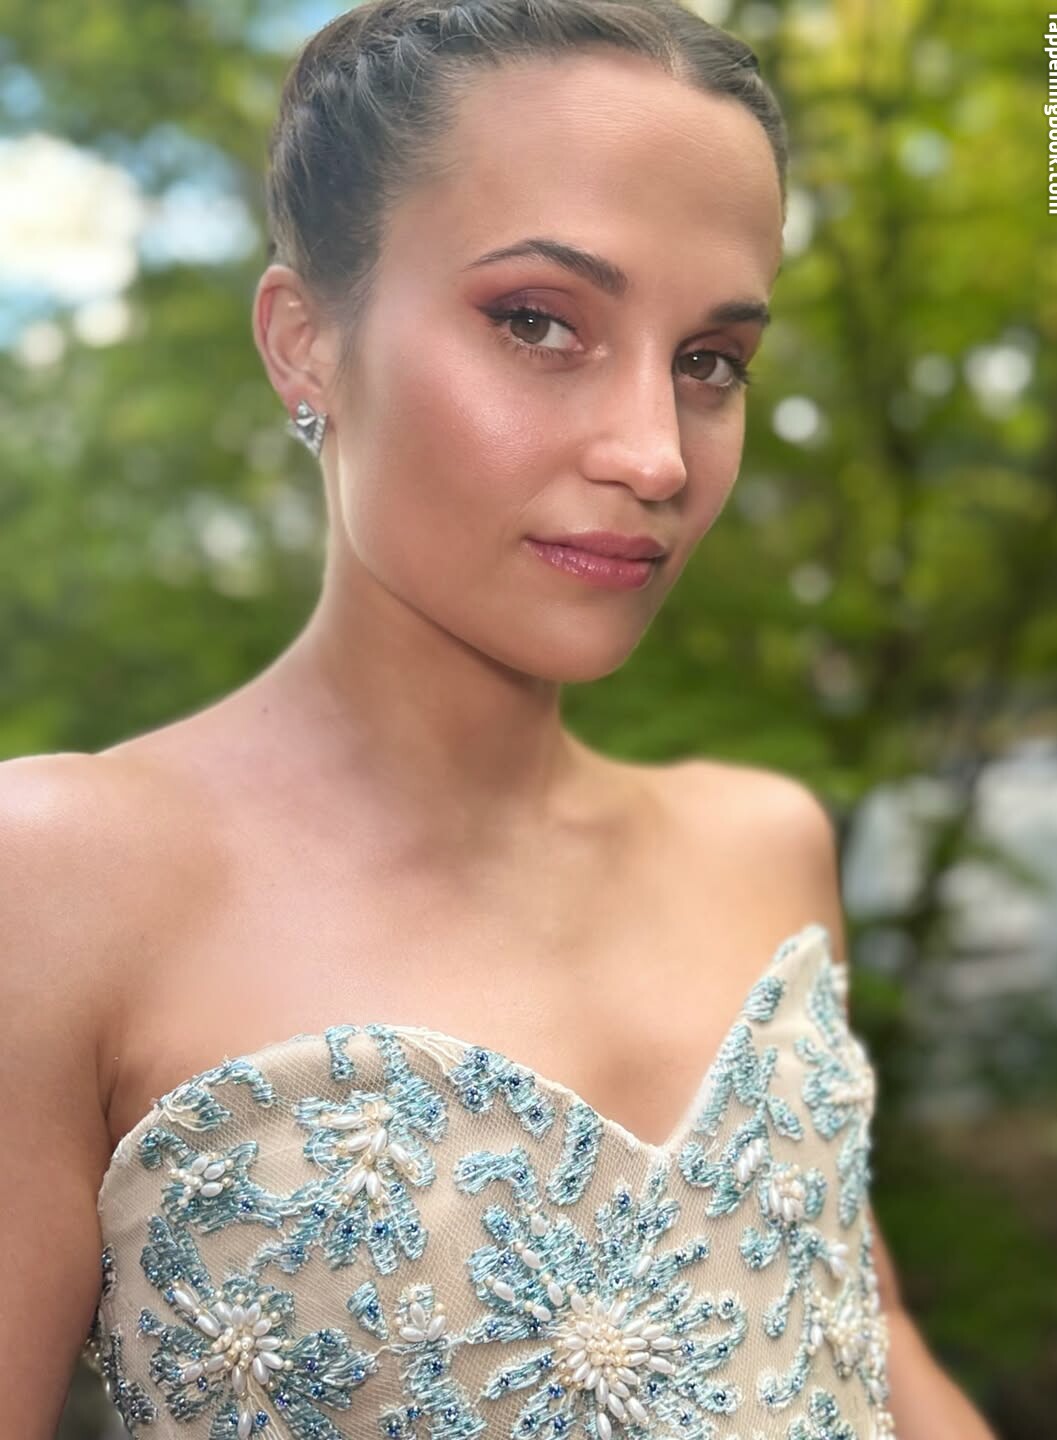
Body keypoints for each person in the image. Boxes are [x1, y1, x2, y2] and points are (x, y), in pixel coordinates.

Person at [1, 2, 997, 1437]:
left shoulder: (765, 845)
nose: (656, 454)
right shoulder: (59, 881)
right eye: (538, 323)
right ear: (305, 342)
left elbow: (867, 1341)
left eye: (710, 360)